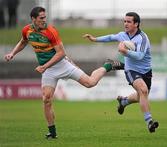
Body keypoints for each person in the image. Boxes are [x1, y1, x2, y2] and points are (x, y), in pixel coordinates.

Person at [4, 6, 120, 139]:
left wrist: (44, 66)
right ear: (33, 19)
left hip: (62, 64)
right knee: (46, 99)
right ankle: (52, 133)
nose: (44, 20)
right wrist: (12, 53)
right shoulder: (27, 30)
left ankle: (108, 65)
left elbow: (61, 53)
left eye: (45, 17)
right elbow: (23, 41)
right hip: (48, 70)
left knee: (90, 83)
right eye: (41, 18)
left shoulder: (51, 31)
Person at [83, 12, 159, 133]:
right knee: (143, 90)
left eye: (129, 21)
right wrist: (94, 39)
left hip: (146, 71)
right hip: (131, 69)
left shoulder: (143, 38)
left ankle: (124, 101)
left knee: (141, 96)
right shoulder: (123, 35)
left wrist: (125, 52)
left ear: (136, 24)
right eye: (124, 21)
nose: (125, 24)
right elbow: (110, 37)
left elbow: (140, 56)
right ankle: (149, 122)